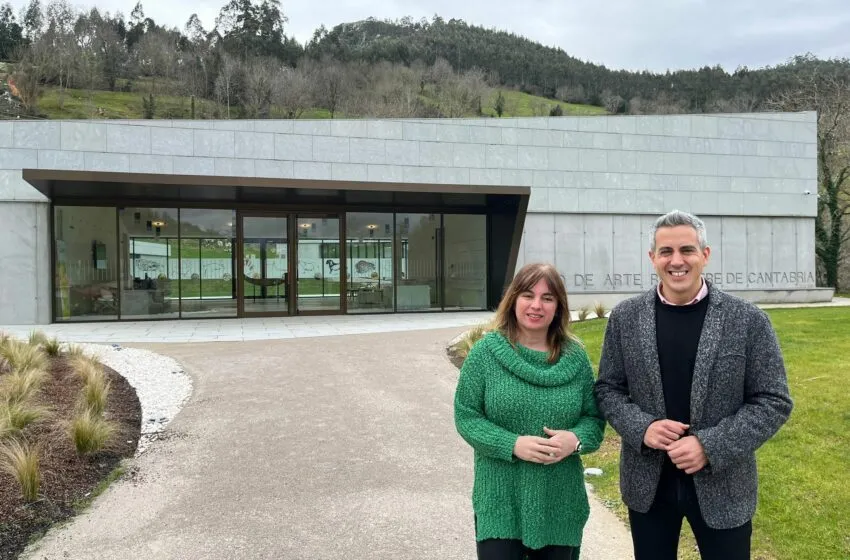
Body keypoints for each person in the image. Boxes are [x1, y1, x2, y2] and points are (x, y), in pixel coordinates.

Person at [594, 210, 793, 560]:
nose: (677, 261)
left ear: (705, 255)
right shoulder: (625, 318)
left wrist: (710, 446)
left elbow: (773, 400)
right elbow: (608, 389)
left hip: (725, 486)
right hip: (648, 487)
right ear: (652, 258)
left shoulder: (747, 320)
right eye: (666, 252)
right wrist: (643, 427)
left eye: (687, 250)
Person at [454, 262, 605, 560]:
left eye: (547, 298)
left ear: (558, 307)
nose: (536, 305)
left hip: (560, 501)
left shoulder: (575, 358)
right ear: (513, 300)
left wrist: (574, 440)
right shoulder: (486, 354)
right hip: (500, 499)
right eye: (527, 295)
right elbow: (466, 416)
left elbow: (594, 418)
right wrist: (512, 444)